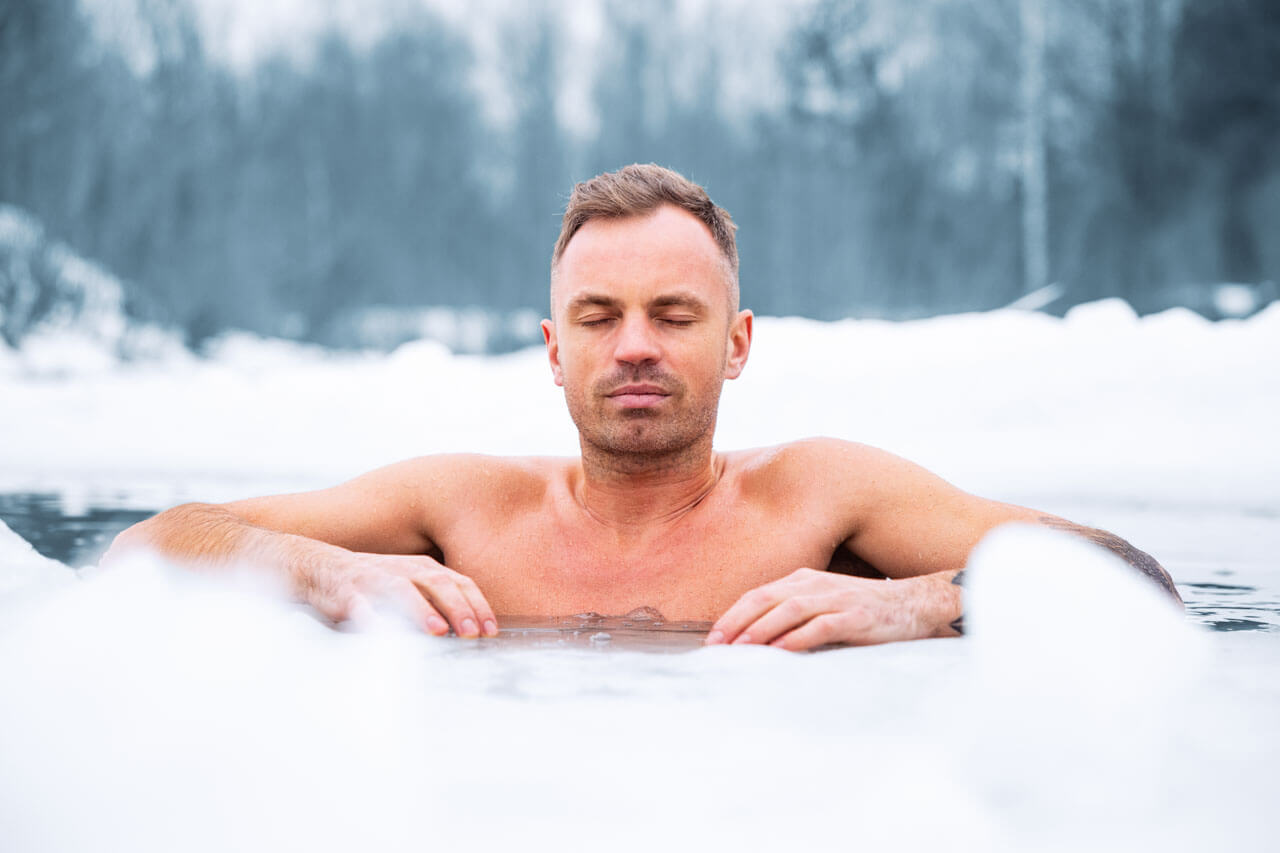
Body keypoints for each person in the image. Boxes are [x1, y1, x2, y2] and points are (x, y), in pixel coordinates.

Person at [105, 164, 1181, 650]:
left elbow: (1132, 578)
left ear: (737, 341)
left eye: (673, 312)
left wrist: (915, 603)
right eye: (597, 315)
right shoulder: (462, 507)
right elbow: (150, 547)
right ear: (551, 347)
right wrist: (323, 567)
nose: (632, 347)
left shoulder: (823, 496)